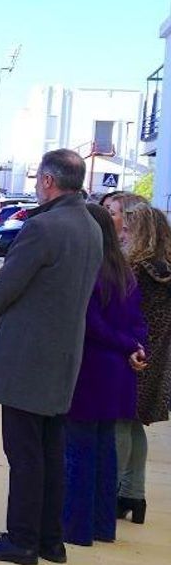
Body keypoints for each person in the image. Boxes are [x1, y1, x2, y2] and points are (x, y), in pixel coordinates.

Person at [0, 149, 104, 565]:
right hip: (63, 355)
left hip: (29, 356)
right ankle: (49, 539)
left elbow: (8, 283)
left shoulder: (44, 226)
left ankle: (22, 540)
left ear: (47, 180)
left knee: (24, 453)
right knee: (49, 450)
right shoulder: (90, 225)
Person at [61, 202, 146, 547]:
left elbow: (92, 324)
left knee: (79, 449)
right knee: (104, 449)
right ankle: (101, 525)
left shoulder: (91, 270)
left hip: (93, 367)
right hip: (119, 372)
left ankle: (76, 528)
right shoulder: (124, 271)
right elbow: (139, 321)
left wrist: (125, 345)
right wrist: (136, 348)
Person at [115, 196, 171, 524]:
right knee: (135, 424)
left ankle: (112, 491)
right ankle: (135, 494)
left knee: (121, 421)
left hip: (132, 352)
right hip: (158, 356)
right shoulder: (165, 269)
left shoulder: (135, 268)